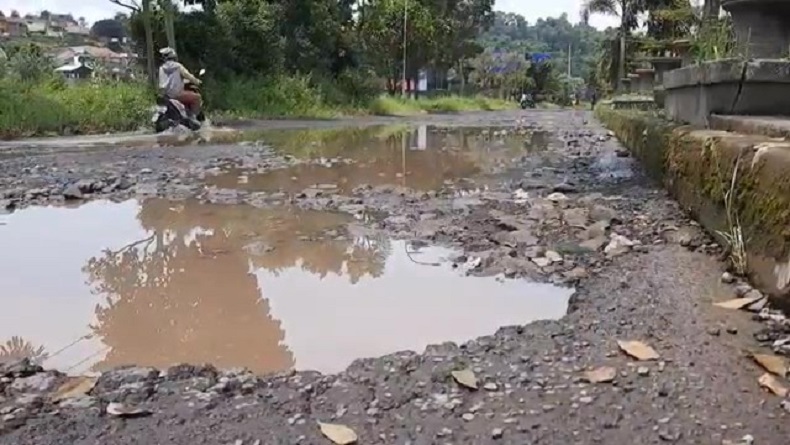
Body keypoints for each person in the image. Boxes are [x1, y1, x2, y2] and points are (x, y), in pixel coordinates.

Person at [157, 47, 202, 117]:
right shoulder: (178, 66)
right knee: (197, 98)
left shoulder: (161, 68)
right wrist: (197, 81)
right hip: (176, 94)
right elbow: (188, 76)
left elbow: (167, 80)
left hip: (165, 95)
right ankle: (193, 117)